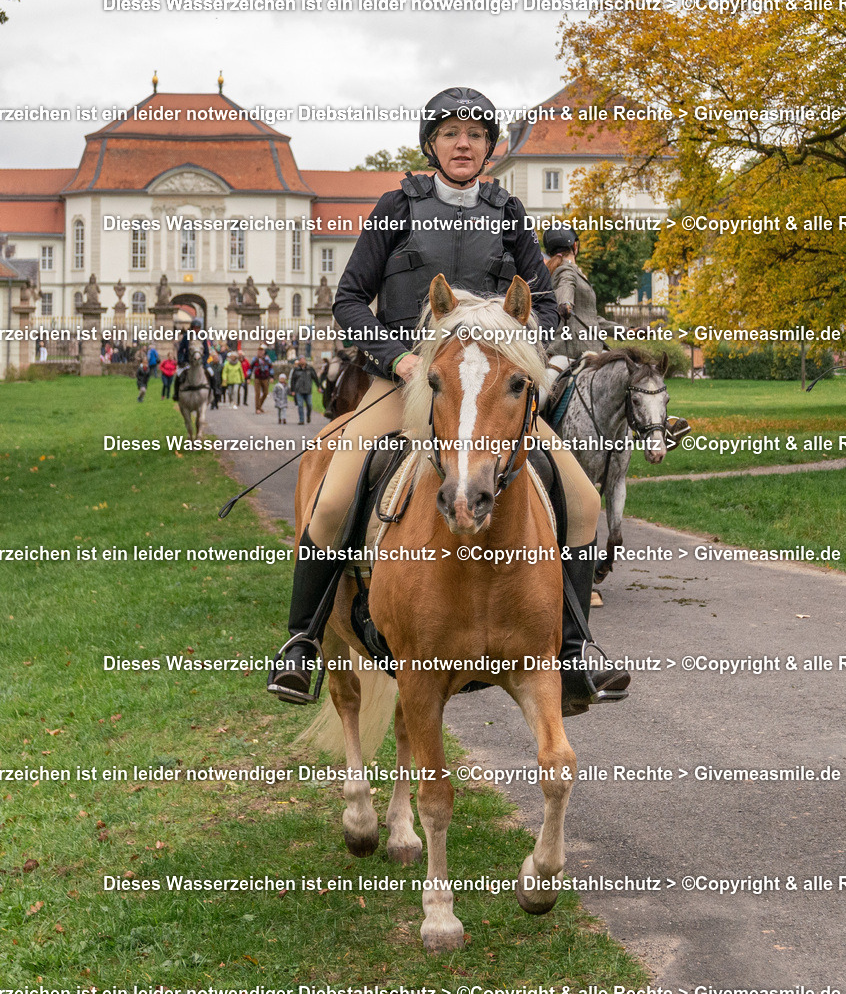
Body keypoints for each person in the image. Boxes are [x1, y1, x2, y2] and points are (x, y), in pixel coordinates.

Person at [267, 86, 631, 715]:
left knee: (584, 499)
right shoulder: (394, 208)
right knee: (330, 501)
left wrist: (516, 353)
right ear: (431, 143)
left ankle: (573, 651)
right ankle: (302, 643)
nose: (463, 144)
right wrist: (400, 358)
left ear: (491, 147)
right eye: (450, 133)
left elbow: (543, 306)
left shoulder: (510, 214)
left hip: (487, 393)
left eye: (476, 134)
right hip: (404, 382)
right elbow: (349, 299)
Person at [543, 228, 621, 361]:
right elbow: (565, 285)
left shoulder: (559, 269)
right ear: (574, 246)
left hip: (590, 347)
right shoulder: (566, 269)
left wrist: (628, 331)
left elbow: (590, 319)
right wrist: (565, 303)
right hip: (568, 350)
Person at [289, 357, 320, 425]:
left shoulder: (310, 369)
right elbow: (293, 380)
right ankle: (301, 420)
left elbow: (315, 378)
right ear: (299, 361)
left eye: (303, 360)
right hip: (299, 390)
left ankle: (308, 416)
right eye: (301, 360)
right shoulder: (296, 370)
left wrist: (319, 386)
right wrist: (292, 390)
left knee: (309, 404)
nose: (302, 361)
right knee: (300, 405)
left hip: (308, 390)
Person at [250, 346, 274, 414]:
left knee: (266, 393)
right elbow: (250, 368)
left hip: (265, 378)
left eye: (262, 351)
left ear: (263, 352)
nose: (260, 352)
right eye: (259, 351)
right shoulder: (255, 359)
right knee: (257, 393)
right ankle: (257, 408)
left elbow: (271, 368)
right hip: (257, 378)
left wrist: (272, 377)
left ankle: (259, 406)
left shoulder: (267, 359)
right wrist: (248, 378)